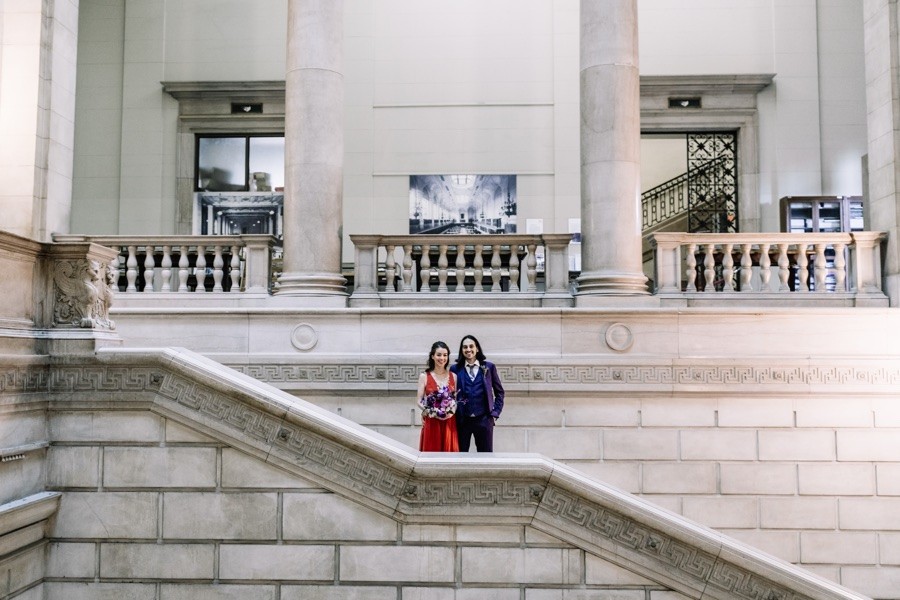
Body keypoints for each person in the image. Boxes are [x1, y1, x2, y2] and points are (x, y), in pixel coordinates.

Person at [450, 335, 505, 452]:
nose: (468, 349)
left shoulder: (489, 367)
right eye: (465, 347)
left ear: (477, 348)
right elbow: (449, 393)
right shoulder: (455, 369)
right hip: (462, 421)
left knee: (486, 457)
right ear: (462, 350)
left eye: (471, 346)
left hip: (484, 420)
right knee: (460, 456)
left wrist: (495, 413)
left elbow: (499, 392)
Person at [416, 341, 459, 452]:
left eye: (445, 355)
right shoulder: (424, 376)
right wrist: (431, 411)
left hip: (449, 422)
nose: (442, 358)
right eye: (439, 355)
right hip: (432, 421)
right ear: (432, 356)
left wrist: (452, 411)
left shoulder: (453, 376)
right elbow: (419, 401)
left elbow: (455, 399)